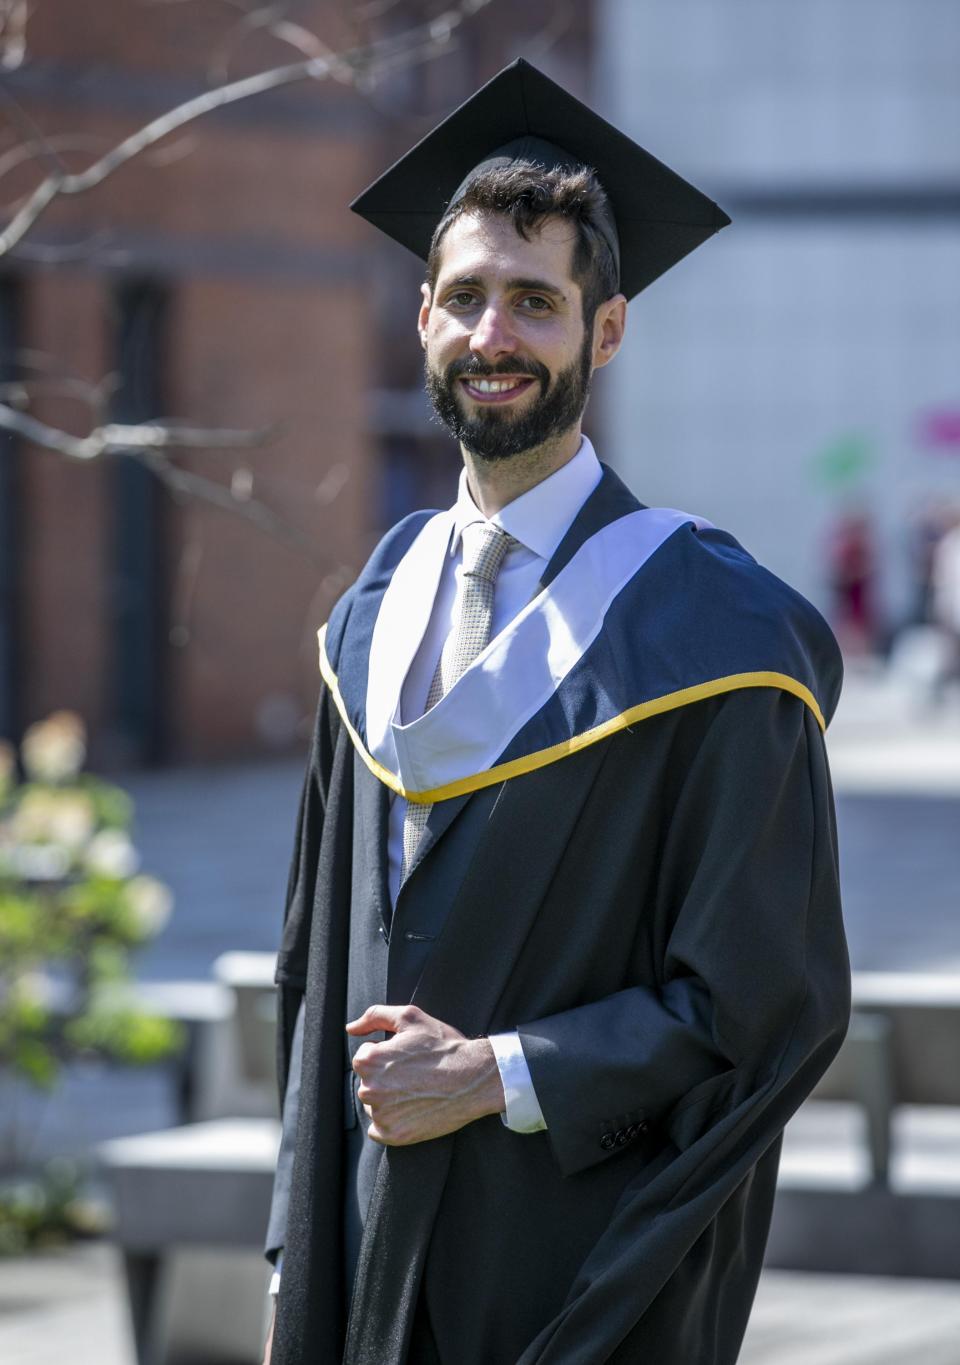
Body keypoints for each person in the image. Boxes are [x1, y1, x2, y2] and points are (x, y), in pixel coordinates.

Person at [262, 59, 849, 1365]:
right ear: (419, 317)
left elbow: (766, 1006)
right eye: (466, 298)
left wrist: (497, 1071)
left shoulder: (714, 638)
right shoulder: (370, 613)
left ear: (608, 329)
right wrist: (290, 1259)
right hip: (359, 1266)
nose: (494, 336)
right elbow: (312, 977)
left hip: (573, 1272)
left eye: (535, 302)